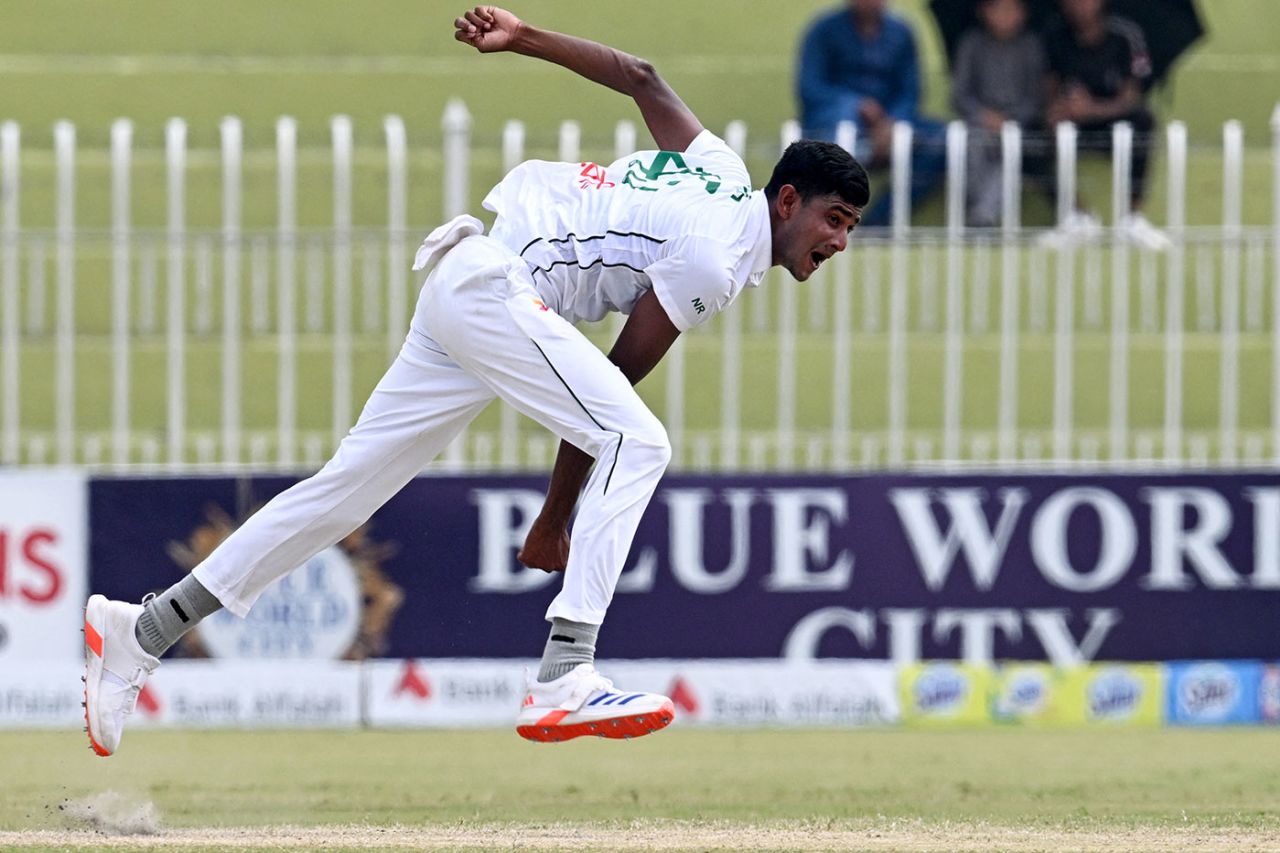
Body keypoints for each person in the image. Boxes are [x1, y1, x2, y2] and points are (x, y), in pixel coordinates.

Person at [82, 5, 869, 754]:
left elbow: (642, 75)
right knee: (642, 439)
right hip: (495, 291)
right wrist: (556, 517)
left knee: (344, 492)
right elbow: (615, 385)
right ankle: (566, 672)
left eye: (851, 227)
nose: (837, 241)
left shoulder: (724, 171)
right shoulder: (717, 257)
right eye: (833, 218)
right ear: (789, 200)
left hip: (472, 285)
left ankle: (143, 630)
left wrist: (524, 36)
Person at [796, 0, 945, 227]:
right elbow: (810, 88)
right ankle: (829, 218)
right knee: (841, 123)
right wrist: (857, 105)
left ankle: (877, 222)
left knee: (940, 140)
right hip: (834, 124)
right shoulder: (824, 29)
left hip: (889, 125)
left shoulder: (901, 32)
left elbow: (910, 91)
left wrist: (892, 122)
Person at [1042, 0, 1169, 249]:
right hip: (1072, 124)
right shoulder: (1054, 34)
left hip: (1111, 118)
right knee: (1030, 136)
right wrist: (1056, 109)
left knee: (1143, 121)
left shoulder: (1125, 34)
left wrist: (1092, 109)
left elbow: (1132, 97)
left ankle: (1132, 217)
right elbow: (1048, 87)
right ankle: (1078, 215)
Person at [950, 0, 1048, 228]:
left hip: (1018, 124)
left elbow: (1035, 98)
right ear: (984, 12)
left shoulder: (1031, 46)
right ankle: (983, 211)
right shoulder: (971, 43)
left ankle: (983, 215)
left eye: (1012, 9)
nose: (1005, 16)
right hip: (978, 122)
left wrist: (1010, 120)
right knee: (972, 148)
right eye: (998, 9)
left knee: (1012, 152)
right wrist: (983, 115)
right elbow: (959, 95)